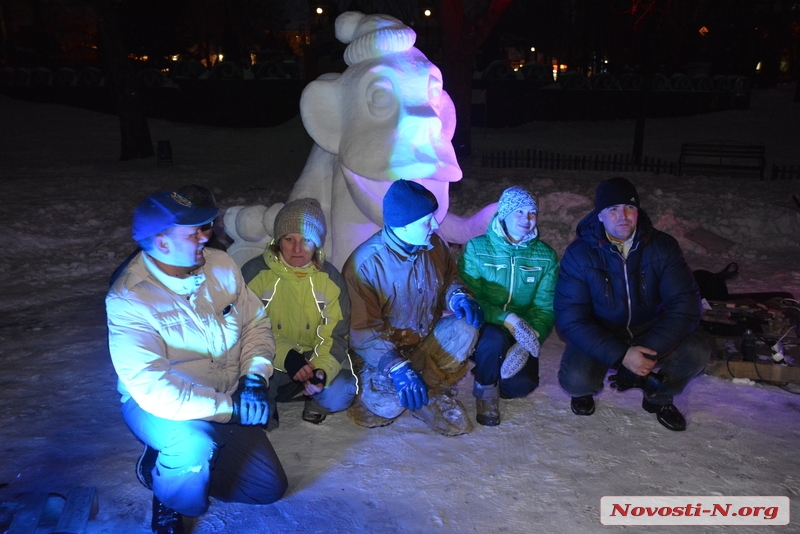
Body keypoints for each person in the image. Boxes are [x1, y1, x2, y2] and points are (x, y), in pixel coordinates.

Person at [106, 190, 287, 534]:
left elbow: (256, 324)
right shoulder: (129, 300)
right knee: (192, 445)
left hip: (227, 391)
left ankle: (182, 464)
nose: (206, 235)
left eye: (204, 227)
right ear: (161, 243)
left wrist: (253, 379)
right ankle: (168, 490)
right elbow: (155, 390)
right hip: (158, 405)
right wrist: (232, 410)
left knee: (268, 489)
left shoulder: (222, 264)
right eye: (193, 232)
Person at [555, 177, 709, 431]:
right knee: (575, 379)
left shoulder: (663, 247)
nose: (622, 216)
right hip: (602, 329)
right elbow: (570, 319)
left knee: (697, 352)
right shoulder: (579, 254)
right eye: (612, 209)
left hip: (651, 328)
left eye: (629, 208)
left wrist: (645, 352)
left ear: (638, 211)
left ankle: (658, 397)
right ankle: (584, 392)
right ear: (600, 215)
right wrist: (621, 355)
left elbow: (686, 306)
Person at [343, 180, 484, 436]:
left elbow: (449, 280)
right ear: (403, 225)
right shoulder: (365, 266)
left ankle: (429, 391)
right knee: (385, 407)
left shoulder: (433, 246)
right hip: (382, 354)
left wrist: (459, 298)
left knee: (465, 327)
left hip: (421, 340)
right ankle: (389, 392)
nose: (435, 225)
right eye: (427, 220)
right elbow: (362, 331)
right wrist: (396, 367)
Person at [242, 198, 356, 426]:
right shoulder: (254, 274)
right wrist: (287, 356)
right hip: (269, 359)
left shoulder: (330, 279)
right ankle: (268, 399)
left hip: (312, 361)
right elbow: (246, 328)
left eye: (306, 240)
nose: (297, 249)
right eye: (289, 239)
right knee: (253, 410)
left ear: (317, 244)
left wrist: (321, 370)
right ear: (278, 241)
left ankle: (312, 398)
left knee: (342, 391)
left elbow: (335, 334)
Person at [458, 186, 558, 426]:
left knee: (520, 386)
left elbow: (545, 307)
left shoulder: (545, 256)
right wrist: (507, 319)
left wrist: (531, 337)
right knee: (492, 342)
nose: (527, 219)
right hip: (489, 321)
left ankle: (493, 368)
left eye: (532, 212)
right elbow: (471, 297)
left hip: (525, 327)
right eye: (519, 211)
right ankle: (486, 391)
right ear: (503, 213)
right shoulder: (476, 249)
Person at [109, 184, 226, 286]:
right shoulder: (146, 262)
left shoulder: (221, 256)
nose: (200, 234)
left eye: (206, 224)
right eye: (190, 227)